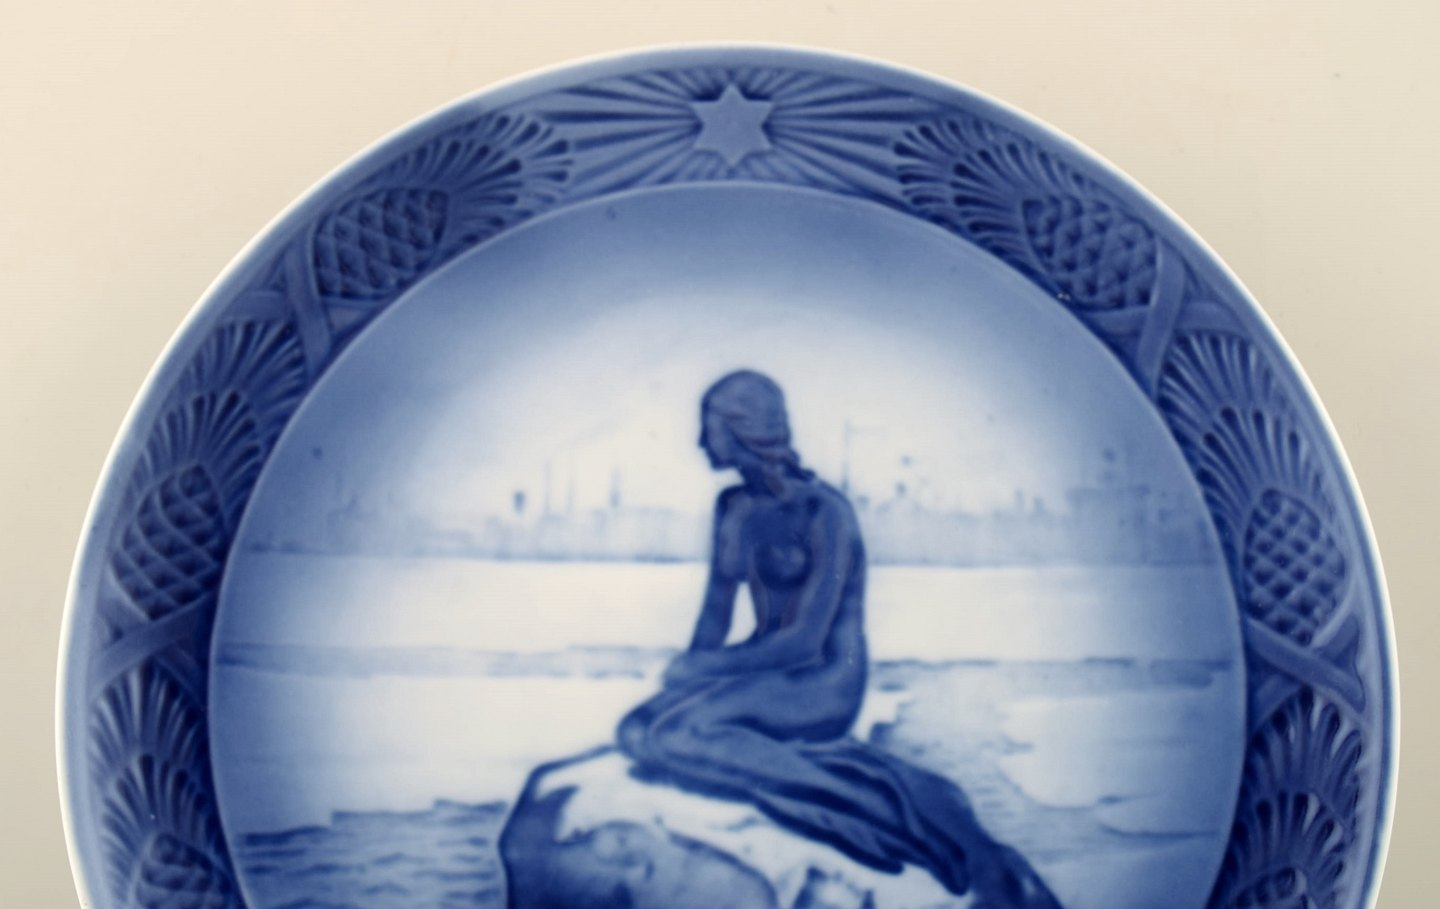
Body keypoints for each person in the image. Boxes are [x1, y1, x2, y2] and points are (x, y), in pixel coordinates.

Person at [616, 370, 1062, 908]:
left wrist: (702, 674)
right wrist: (689, 673)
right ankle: (811, 778)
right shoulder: (732, 507)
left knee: (679, 735)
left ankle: (853, 801)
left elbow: (806, 640)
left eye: (707, 426)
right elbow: (714, 614)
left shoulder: (825, 511)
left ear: (743, 429)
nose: (698, 441)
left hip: (824, 679)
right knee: (636, 731)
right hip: (765, 675)